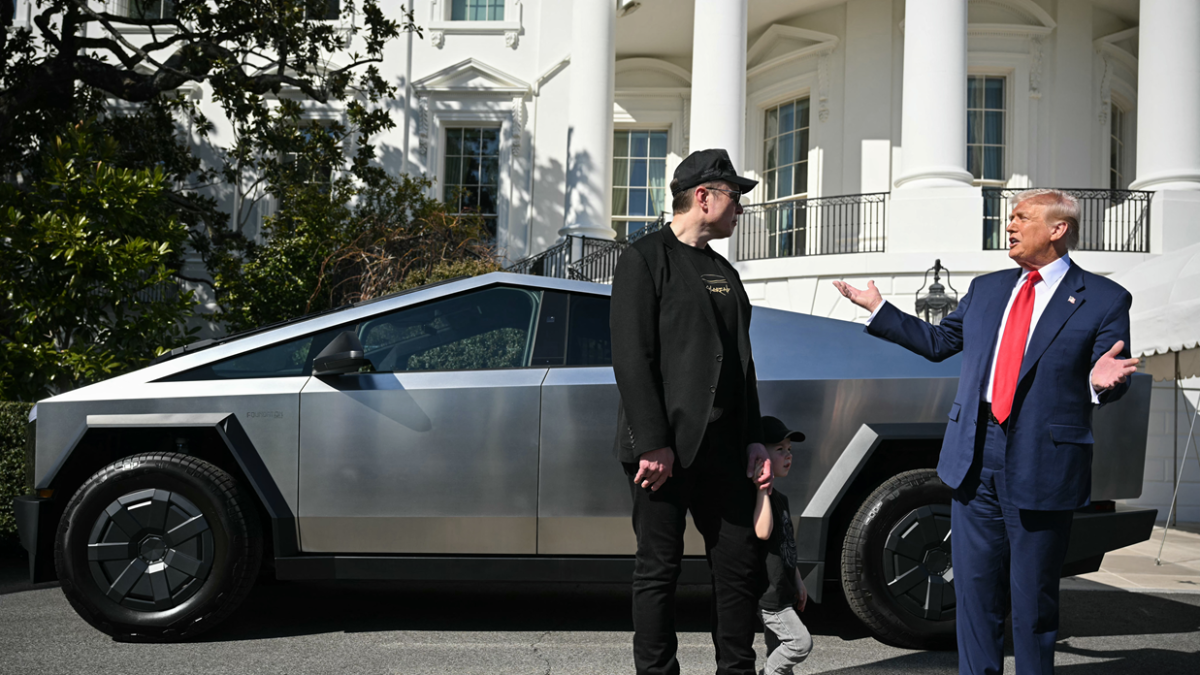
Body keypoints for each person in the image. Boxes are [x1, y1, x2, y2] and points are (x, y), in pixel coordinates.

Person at [833, 189, 1139, 675]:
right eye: (1010, 217)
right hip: (974, 458)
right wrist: (878, 308)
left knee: (1032, 598)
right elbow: (938, 343)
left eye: (1021, 217)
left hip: (1043, 463)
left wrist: (1098, 383)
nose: (1010, 225)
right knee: (974, 595)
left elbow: (1109, 368)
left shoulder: (1104, 298)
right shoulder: (988, 288)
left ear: (1058, 229)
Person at [611, 148, 772, 675]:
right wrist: (652, 442)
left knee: (738, 566)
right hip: (664, 452)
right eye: (735, 198)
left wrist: (754, 438)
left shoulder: (724, 271)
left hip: (725, 450)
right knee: (659, 570)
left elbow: (741, 363)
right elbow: (632, 356)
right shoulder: (643, 258)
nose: (741, 209)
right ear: (703, 197)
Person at [753, 416, 813, 675]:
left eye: (789, 449)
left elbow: (786, 545)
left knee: (777, 648)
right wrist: (761, 490)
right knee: (799, 644)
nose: (788, 455)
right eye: (779, 449)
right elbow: (763, 532)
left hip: (784, 590)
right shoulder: (760, 498)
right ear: (759, 456)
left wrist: (798, 581)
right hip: (770, 596)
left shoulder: (782, 499)